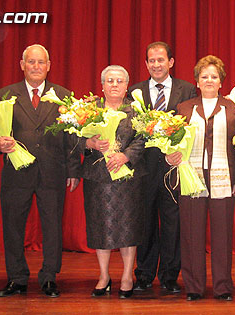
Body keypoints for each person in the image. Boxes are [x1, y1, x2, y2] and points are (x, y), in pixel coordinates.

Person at [0, 44, 81, 298]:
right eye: (31, 62)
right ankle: (17, 278)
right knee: (12, 226)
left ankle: (49, 277)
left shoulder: (63, 96)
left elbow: (71, 136)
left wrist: (73, 169)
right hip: (16, 173)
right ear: (22, 65)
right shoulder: (5, 95)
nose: (36, 67)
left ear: (49, 66)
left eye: (41, 62)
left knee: (53, 226)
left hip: (52, 171)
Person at [165, 55, 235, 301]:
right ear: (197, 81)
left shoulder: (234, 109)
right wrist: (171, 156)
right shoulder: (183, 108)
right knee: (191, 234)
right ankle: (194, 287)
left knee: (222, 235)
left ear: (221, 81)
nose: (209, 80)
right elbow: (172, 142)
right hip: (192, 177)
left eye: (214, 76)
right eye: (204, 76)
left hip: (225, 176)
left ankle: (223, 287)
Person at [128, 41, 196, 294]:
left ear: (171, 62)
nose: (156, 64)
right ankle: (144, 274)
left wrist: (181, 151)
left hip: (174, 169)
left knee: (173, 223)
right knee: (144, 224)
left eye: (161, 60)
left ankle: (170, 275)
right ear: (146, 64)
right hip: (142, 169)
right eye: (151, 60)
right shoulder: (134, 92)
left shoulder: (187, 90)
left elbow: (192, 129)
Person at [80, 65, 146, 299]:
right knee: (101, 227)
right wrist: (89, 144)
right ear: (102, 86)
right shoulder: (89, 111)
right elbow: (73, 137)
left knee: (129, 228)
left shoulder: (136, 110)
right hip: (98, 178)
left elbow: (142, 140)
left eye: (119, 81)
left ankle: (127, 276)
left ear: (127, 86)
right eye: (110, 81)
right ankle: (104, 276)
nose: (115, 85)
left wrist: (125, 156)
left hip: (128, 178)